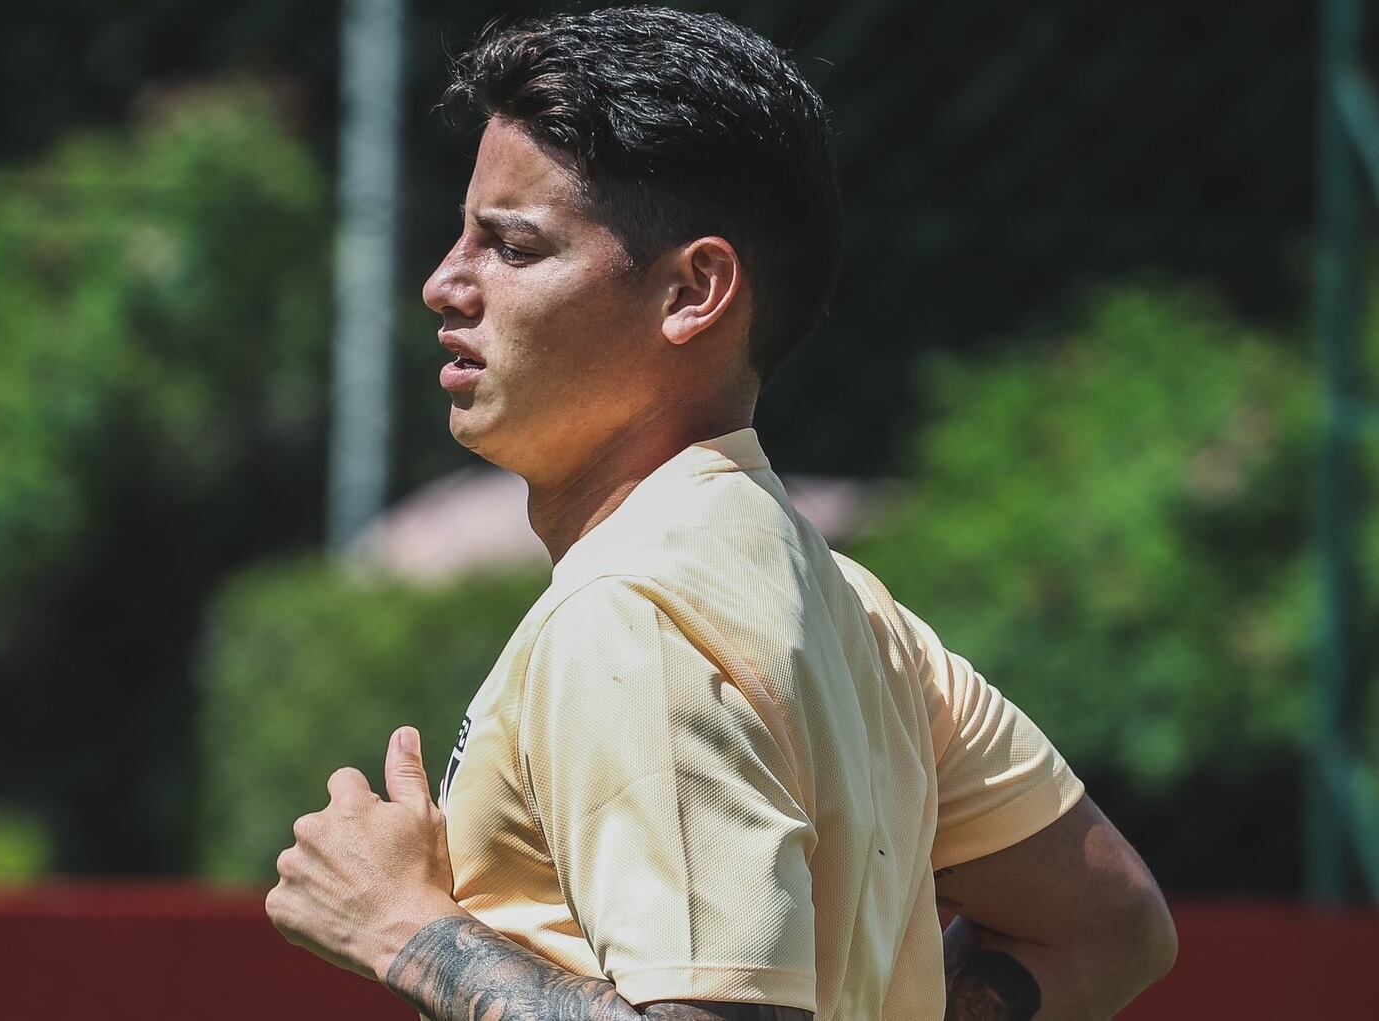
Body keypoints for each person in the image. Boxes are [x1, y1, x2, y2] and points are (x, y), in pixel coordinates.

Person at [264, 7, 1178, 1019]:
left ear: (694, 291)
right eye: (464, 236)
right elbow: (1104, 925)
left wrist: (408, 931)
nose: (445, 283)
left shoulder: (638, 612)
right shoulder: (847, 606)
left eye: (512, 247)